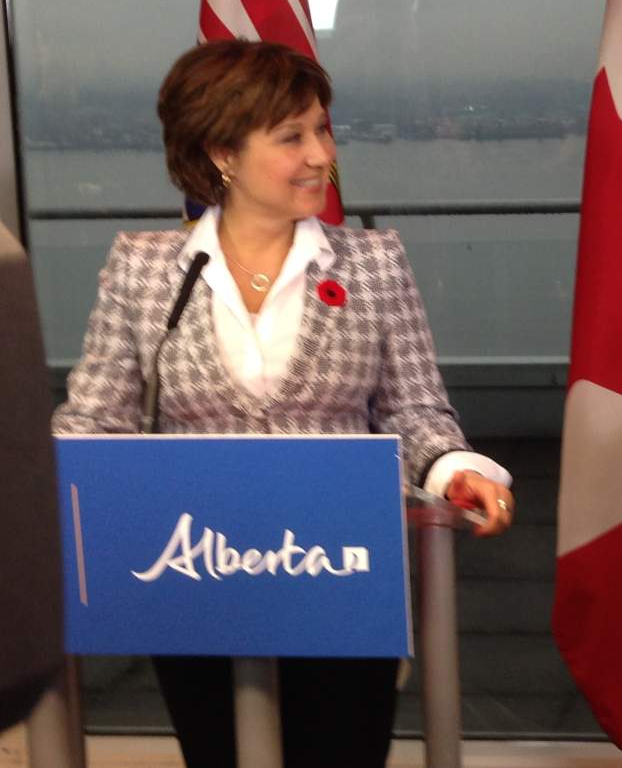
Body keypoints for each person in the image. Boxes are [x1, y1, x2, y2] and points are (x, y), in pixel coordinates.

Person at [52, 39, 515, 768]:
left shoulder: (373, 262)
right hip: (191, 576)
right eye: (292, 136)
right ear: (221, 152)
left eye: (323, 130)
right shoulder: (143, 269)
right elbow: (93, 421)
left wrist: (456, 468)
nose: (319, 154)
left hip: (341, 572)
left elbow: (418, 413)